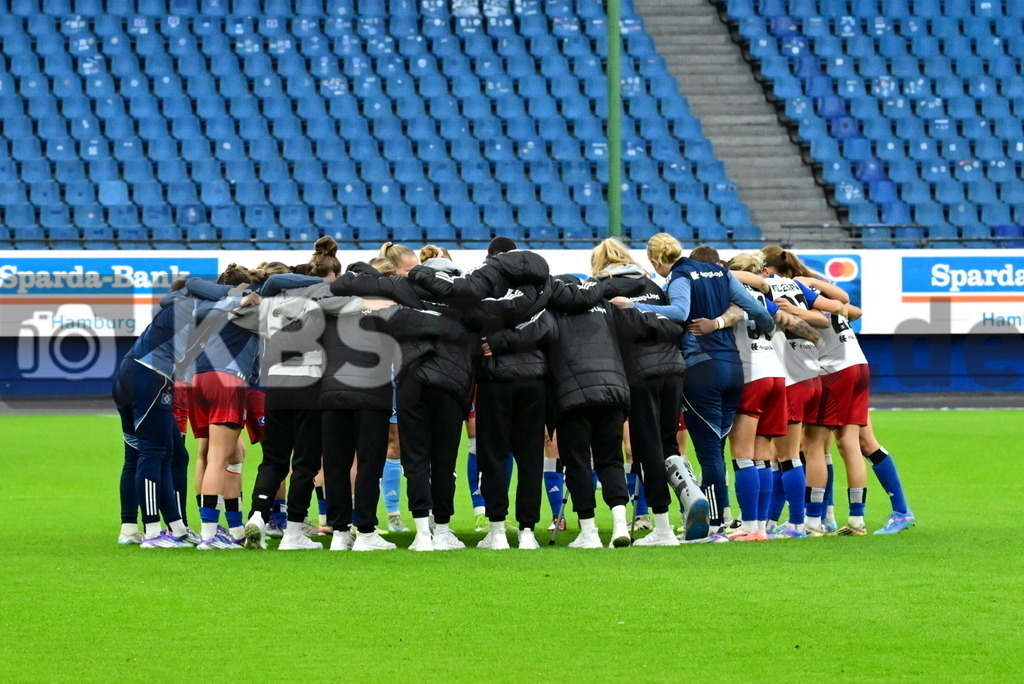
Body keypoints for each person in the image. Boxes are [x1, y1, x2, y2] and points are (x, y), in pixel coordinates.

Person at [612, 236, 777, 542]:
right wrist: (768, 328)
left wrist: (633, 304)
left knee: (710, 453)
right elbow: (756, 309)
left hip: (701, 368)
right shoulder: (722, 273)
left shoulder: (680, 275)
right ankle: (731, 519)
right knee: (723, 448)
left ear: (657, 261)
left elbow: (679, 311)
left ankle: (714, 526)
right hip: (733, 368)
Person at [331, 255, 477, 551]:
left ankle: (423, 533)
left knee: (415, 459)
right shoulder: (464, 300)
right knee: (444, 462)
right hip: (450, 383)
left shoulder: (403, 291)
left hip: (412, 379)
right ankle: (443, 531)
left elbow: (345, 282)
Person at [590, 238, 686, 546]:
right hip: (673, 368)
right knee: (669, 444)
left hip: (638, 373)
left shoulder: (602, 289)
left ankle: (662, 526)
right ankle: (690, 503)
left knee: (647, 450)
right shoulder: (653, 285)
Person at [113, 280, 198, 548]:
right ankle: (152, 531)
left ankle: (151, 527)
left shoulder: (171, 313)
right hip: (149, 378)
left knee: (160, 452)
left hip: (130, 374)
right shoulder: (183, 311)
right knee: (155, 453)